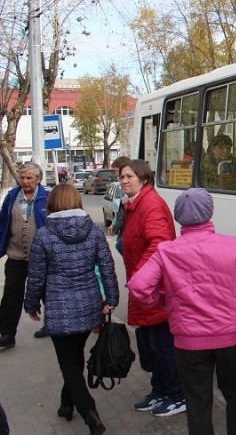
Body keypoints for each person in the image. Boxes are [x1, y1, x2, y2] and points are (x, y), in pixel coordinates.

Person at [129, 188, 236, 435]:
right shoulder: (232, 246)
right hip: (232, 339)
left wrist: (164, 301)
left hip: (189, 343)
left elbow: (138, 287)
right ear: (209, 212)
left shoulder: (167, 251)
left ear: (178, 217)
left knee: (198, 401)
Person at [24, 184, 118, 435]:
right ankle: (67, 404)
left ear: (52, 204)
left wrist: (31, 306)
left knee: (69, 362)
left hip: (58, 307)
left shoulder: (44, 235)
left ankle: (90, 412)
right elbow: (107, 266)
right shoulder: (94, 232)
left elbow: (36, 277)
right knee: (75, 358)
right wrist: (111, 298)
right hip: (89, 306)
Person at [118, 159, 185, 417]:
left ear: (144, 179)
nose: (124, 181)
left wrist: (140, 277)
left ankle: (178, 394)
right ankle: (161, 391)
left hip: (154, 289)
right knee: (151, 345)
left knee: (162, 345)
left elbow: (159, 244)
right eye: (122, 177)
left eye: (129, 177)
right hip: (144, 287)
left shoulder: (150, 204)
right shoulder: (136, 204)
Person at [0, 162, 50, 348]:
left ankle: (51, 325)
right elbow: (3, 221)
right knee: (12, 294)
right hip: (16, 255)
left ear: (38, 179)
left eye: (29, 178)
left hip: (42, 256)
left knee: (47, 291)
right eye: (22, 177)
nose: (25, 181)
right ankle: (7, 334)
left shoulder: (47, 196)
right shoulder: (12, 196)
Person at [108, 156, 131, 256]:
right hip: (125, 228)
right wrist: (114, 224)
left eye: (117, 171)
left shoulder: (131, 187)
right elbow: (120, 212)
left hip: (130, 228)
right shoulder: (122, 187)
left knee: (120, 245)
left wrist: (129, 201)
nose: (116, 174)